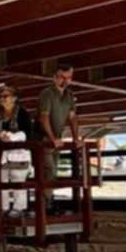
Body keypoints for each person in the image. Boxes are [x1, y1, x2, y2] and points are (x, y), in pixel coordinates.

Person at [38, 61, 79, 212]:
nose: (65, 81)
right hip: (43, 139)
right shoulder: (47, 93)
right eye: (62, 77)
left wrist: (76, 138)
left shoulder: (69, 95)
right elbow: (44, 118)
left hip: (57, 139)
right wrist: (52, 138)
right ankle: (45, 205)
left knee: (53, 171)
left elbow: (72, 117)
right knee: (48, 170)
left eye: (69, 78)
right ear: (55, 77)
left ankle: (48, 203)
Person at [0, 85, 34, 215]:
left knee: (18, 182)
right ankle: (2, 209)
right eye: (0, 97)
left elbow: (27, 133)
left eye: (5, 96)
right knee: (1, 181)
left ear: (14, 98)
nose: (2, 99)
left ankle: (18, 209)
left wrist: (11, 136)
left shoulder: (22, 113)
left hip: (19, 153)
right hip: (2, 155)